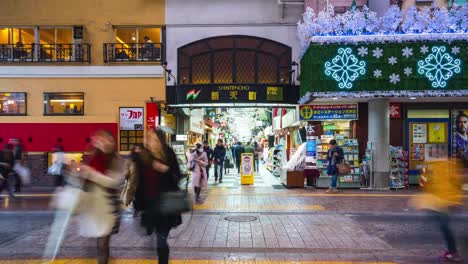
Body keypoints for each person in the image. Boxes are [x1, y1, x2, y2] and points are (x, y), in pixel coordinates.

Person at [128, 128, 183, 264]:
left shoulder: (168, 154)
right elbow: (136, 176)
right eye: (147, 138)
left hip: (166, 204)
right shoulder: (142, 155)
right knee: (155, 235)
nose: (148, 141)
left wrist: (164, 169)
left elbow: (177, 175)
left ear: (160, 141)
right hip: (149, 204)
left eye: (152, 139)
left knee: (161, 240)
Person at [76, 130, 124, 264]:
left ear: (112, 142)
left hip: (108, 207)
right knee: (98, 244)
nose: (101, 141)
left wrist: (91, 174)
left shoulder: (116, 160)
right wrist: (78, 173)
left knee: (103, 244)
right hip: (93, 206)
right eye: (99, 138)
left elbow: (114, 182)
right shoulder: (93, 158)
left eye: (105, 139)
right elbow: (85, 183)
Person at [409, 160, 463, 262]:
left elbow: (452, 185)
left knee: (444, 227)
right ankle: (452, 251)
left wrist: (455, 200)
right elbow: (432, 186)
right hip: (441, 202)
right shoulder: (442, 167)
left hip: (444, 202)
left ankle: (453, 252)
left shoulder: (440, 168)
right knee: (443, 226)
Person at [122, 144, 144, 217]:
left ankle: (140, 209)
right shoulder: (130, 160)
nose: (138, 150)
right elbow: (127, 171)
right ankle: (137, 210)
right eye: (136, 149)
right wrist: (126, 176)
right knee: (135, 196)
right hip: (134, 181)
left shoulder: (145, 159)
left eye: (139, 149)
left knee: (141, 195)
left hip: (143, 181)